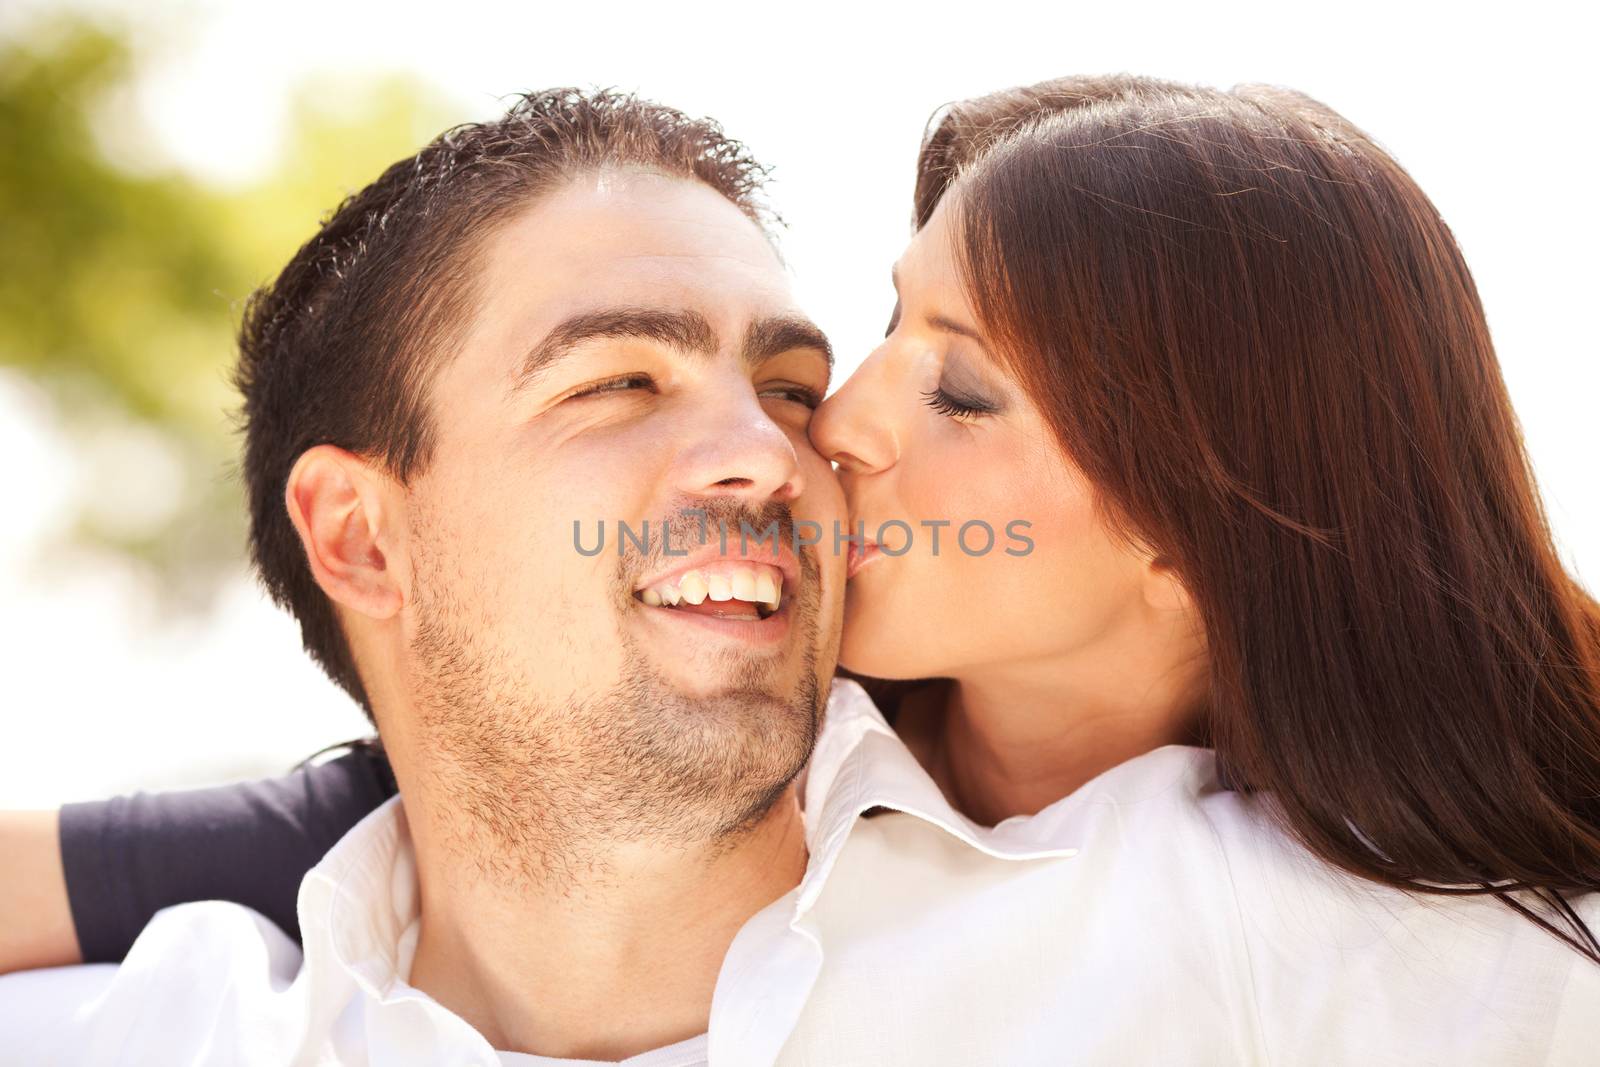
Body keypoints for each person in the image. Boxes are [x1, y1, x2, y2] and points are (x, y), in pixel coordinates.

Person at [4, 75, 1600, 1066]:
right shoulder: (171, 1013)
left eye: (784, 382)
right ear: (362, 538)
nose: (803, 444)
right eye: (617, 381)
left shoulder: (1231, 932)